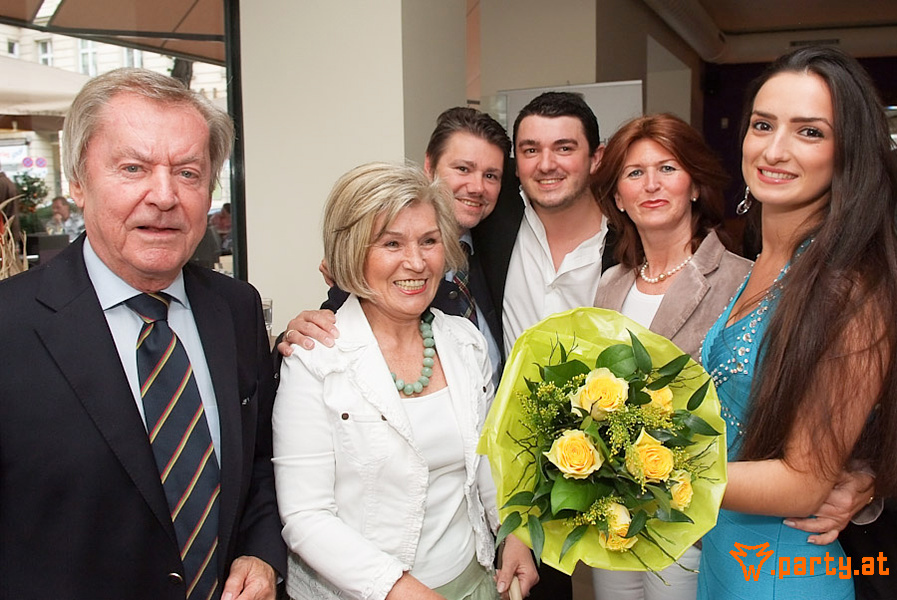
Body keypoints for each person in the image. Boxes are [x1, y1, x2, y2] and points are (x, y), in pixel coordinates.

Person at [0, 68, 286, 599]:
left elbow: (261, 462)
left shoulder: (236, 309)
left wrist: (261, 552)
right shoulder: (10, 327)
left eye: (188, 173)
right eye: (133, 168)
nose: (164, 196)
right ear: (77, 183)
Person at [272, 162, 537, 600]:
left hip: (474, 580)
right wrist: (401, 588)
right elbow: (306, 517)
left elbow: (487, 460)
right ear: (352, 252)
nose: (416, 262)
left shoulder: (464, 341)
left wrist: (513, 532)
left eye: (429, 241)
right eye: (391, 243)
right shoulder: (314, 359)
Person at [697, 46, 897, 599]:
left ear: (848, 152)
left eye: (809, 132)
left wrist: (643, 470)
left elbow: (803, 484)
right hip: (724, 559)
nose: (774, 150)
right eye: (763, 125)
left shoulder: (848, 289)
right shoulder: (764, 258)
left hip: (784, 574)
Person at [589, 113, 753, 600]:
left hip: (694, 519)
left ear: (695, 185)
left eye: (667, 168)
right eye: (634, 173)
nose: (651, 184)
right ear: (618, 197)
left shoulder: (741, 280)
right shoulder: (610, 285)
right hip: (615, 514)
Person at [281, 107, 510, 386]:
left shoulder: (501, 244)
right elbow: (333, 325)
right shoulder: (377, 257)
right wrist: (297, 334)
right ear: (429, 167)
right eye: (463, 168)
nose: (477, 187)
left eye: (491, 175)